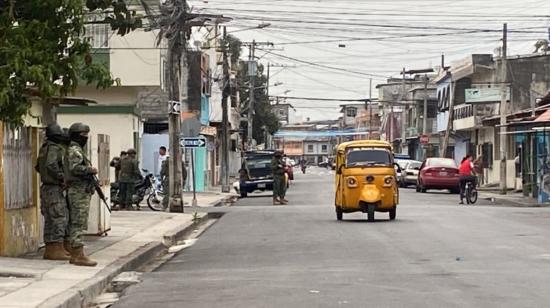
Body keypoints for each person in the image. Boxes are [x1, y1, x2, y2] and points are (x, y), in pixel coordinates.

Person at [35, 123, 71, 261]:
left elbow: (38, 166)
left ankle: (51, 248)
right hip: (54, 188)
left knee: (50, 219)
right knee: (59, 218)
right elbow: (51, 165)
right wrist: (61, 177)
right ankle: (56, 248)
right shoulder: (54, 148)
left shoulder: (44, 148)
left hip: (46, 187)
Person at [64, 122, 97, 266]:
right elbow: (75, 168)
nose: (86, 138)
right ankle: (78, 254)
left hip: (80, 189)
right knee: (78, 221)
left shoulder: (76, 149)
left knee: (78, 221)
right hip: (78, 190)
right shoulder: (74, 150)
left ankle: (76, 252)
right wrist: (90, 170)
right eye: (83, 135)